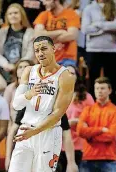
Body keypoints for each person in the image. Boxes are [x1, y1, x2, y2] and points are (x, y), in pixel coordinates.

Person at [8, 36, 76, 172]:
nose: (40, 53)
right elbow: (16, 105)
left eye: (44, 49)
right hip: (26, 130)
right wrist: (29, 94)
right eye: (37, 50)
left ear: (53, 49)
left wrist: (35, 131)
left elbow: (58, 113)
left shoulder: (65, 76)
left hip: (48, 133)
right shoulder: (29, 71)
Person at [6, 108, 78, 172]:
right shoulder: (28, 105)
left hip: (47, 153)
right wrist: (8, 157)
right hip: (27, 151)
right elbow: (12, 132)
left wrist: (71, 162)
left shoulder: (57, 108)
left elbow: (67, 136)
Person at [77, 77, 116, 172]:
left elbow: (111, 135)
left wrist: (89, 136)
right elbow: (80, 131)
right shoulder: (87, 110)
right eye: (97, 88)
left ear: (110, 90)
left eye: (102, 88)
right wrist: (101, 130)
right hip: (88, 158)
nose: (99, 91)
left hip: (108, 158)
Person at [0, 3, 35, 83]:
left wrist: (18, 66)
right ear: (7, 16)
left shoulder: (30, 32)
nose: (13, 15)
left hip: (22, 70)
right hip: (4, 68)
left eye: (16, 13)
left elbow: (31, 53)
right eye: (10, 14)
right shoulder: (1, 32)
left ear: (21, 15)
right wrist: (6, 64)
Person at [34, 0, 80, 67]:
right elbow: (37, 35)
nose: (44, 3)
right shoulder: (43, 14)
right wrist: (60, 32)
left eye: (47, 0)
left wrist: (46, 36)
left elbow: (72, 35)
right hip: (47, 58)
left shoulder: (71, 14)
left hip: (67, 58)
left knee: (69, 73)